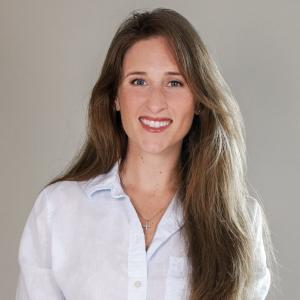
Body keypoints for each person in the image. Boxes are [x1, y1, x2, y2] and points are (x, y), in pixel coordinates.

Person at [16, 8, 273, 300]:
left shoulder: (238, 221)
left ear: (199, 101)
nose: (155, 103)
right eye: (139, 81)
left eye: (174, 82)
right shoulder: (57, 210)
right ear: (115, 97)